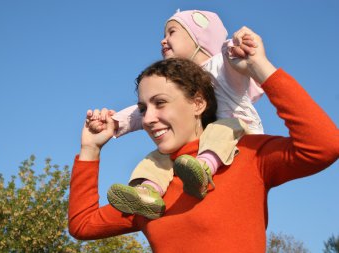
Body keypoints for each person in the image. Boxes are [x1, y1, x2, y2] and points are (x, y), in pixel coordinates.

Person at [68, 27, 339, 252]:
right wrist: (90, 149)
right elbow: (82, 225)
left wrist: (260, 66)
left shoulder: (246, 155)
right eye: (142, 109)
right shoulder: (148, 194)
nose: (148, 119)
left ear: (198, 103)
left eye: (160, 103)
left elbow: (324, 146)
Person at [89, 10, 263, 219]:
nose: (163, 40)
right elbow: (146, 109)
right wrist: (115, 123)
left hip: (240, 136)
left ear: (201, 36)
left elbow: (235, 64)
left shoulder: (221, 66)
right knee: (160, 156)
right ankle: (148, 192)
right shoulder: (178, 80)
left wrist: (237, 48)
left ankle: (204, 170)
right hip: (202, 145)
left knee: (221, 127)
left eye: (171, 32)